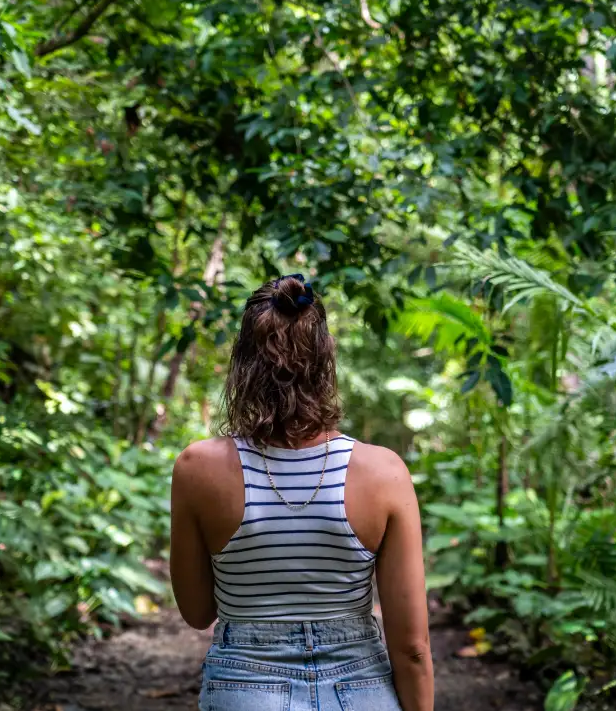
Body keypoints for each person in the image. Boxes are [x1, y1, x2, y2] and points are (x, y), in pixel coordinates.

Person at [170, 274, 434, 711]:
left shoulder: (198, 468)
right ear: (325, 358)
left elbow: (198, 612)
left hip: (244, 688)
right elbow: (413, 647)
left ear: (243, 364)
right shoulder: (384, 472)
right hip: (362, 689)